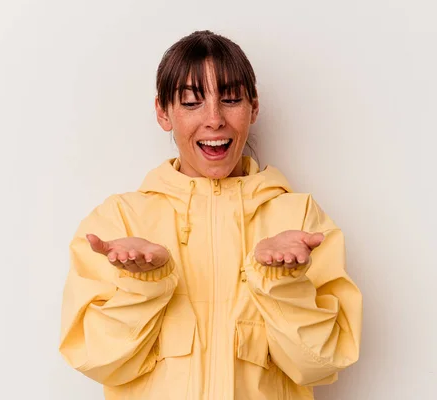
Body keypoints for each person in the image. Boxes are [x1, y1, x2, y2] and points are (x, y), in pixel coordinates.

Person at [59, 30, 362, 400]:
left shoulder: (300, 219)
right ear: (162, 112)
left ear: (253, 107)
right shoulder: (119, 222)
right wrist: (143, 286)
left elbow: (324, 362)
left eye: (231, 99)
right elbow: (96, 359)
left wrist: (283, 283)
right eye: (191, 103)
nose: (214, 119)